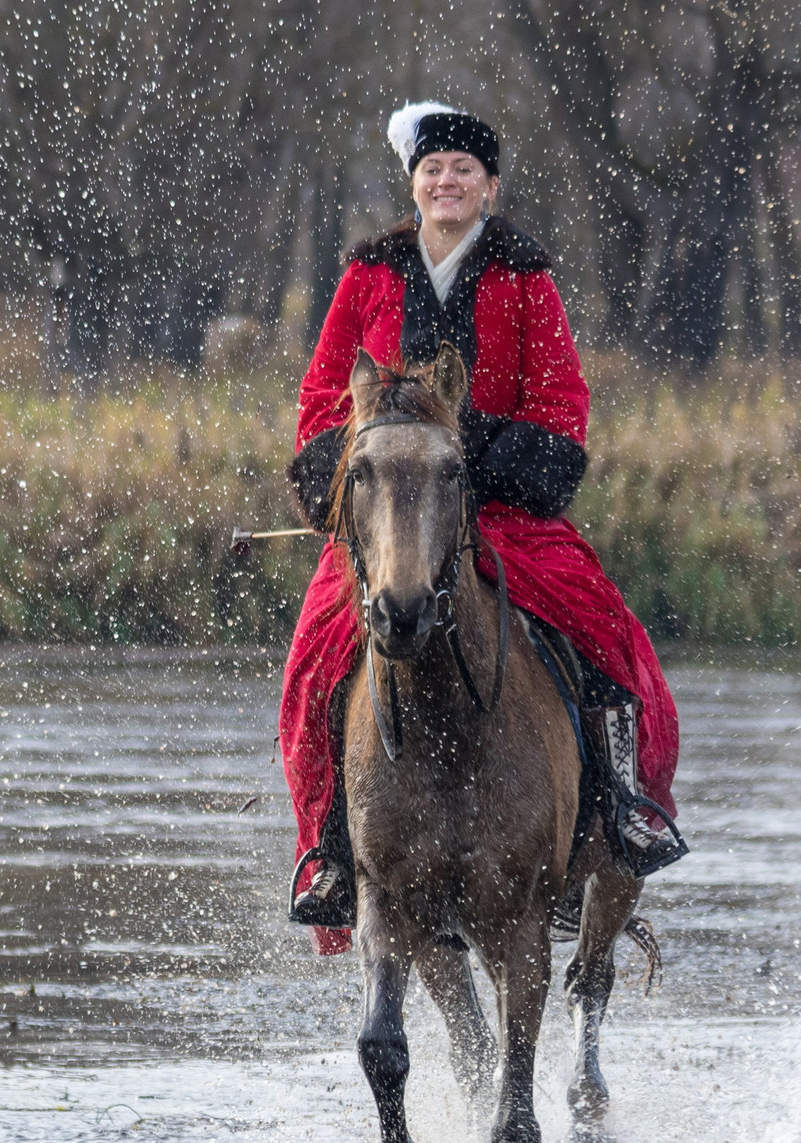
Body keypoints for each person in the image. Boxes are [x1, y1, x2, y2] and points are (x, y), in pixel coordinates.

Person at [281, 102, 685, 952]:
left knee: (610, 637)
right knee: (312, 666)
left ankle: (622, 806)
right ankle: (328, 849)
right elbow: (322, 399)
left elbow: (560, 408)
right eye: (434, 170)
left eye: (465, 169)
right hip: (386, 514)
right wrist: (365, 466)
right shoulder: (366, 277)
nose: (448, 181)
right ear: (413, 183)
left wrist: (475, 454)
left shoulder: (525, 279)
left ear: (491, 187)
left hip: (502, 514)